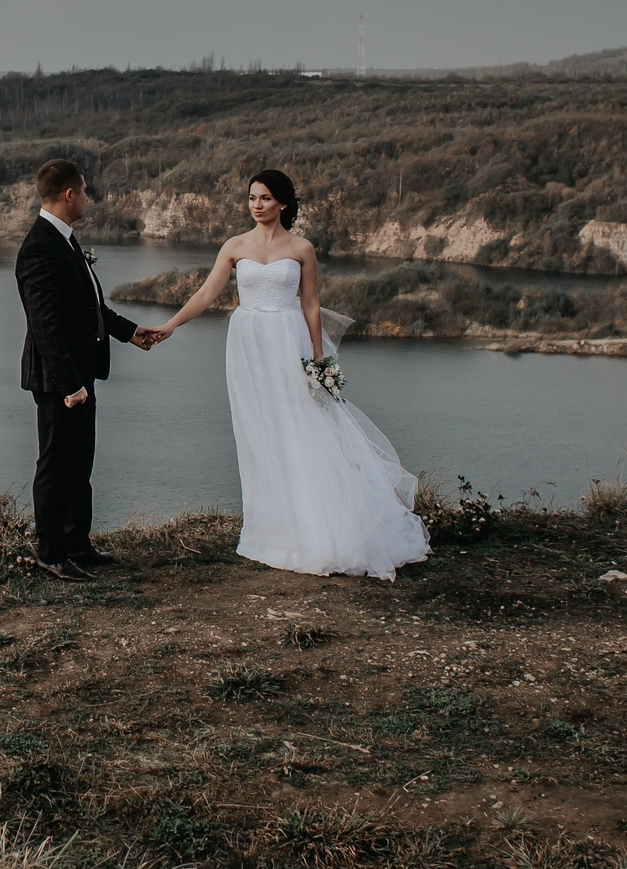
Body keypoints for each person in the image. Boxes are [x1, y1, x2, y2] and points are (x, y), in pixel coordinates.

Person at [139, 169, 430, 580]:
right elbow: (207, 293)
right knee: (259, 432)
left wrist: (316, 356)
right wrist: (170, 325)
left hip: (287, 341)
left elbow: (311, 304)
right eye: (252, 198)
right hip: (247, 344)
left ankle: (317, 530)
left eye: (265, 198)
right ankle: (272, 531)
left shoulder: (302, 248)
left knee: (302, 427)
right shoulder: (234, 246)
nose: (257, 205)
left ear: (283, 204)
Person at [14, 158, 152, 580]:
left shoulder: (66, 240)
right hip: (62, 381)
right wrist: (70, 383)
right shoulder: (40, 245)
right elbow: (44, 326)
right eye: (86, 191)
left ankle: (78, 545)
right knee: (56, 466)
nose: (89, 198)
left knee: (80, 464)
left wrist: (131, 332)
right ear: (70, 194)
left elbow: (89, 308)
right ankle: (51, 555)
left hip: (79, 377)